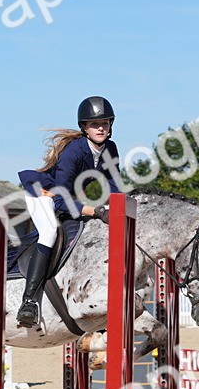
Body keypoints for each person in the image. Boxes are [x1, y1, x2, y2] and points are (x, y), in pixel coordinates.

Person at [14, 95, 122, 326]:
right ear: (84, 127)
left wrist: (120, 209)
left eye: (104, 123)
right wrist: (98, 211)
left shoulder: (110, 149)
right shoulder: (74, 151)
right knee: (49, 232)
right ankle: (29, 301)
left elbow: (115, 188)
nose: (100, 128)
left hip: (67, 198)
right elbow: (61, 201)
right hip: (44, 194)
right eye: (95, 124)